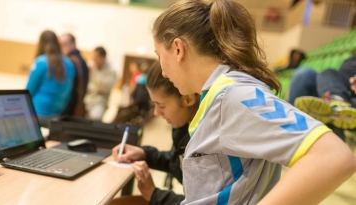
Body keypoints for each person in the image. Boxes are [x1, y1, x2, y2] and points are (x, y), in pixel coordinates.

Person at [152, 0, 356, 205]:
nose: (162, 71)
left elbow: (332, 156)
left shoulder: (234, 94)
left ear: (178, 49)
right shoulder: (217, 95)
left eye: (159, 55)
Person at [110, 62, 199, 205]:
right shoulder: (183, 127)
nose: (157, 112)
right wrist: (144, 154)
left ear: (188, 99)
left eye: (161, 105)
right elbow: (176, 163)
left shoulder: (206, 140)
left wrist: (154, 194)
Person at [289, 55, 356, 141]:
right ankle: (337, 103)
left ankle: (336, 109)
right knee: (305, 74)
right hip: (342, 91)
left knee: (329, 115)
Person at [26, 30, 75, 127]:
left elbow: (28, 92)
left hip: (37, 114)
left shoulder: (41, 62)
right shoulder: (69, 64)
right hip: (56, 116)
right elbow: (68, 93)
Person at [59, 33, 89, 117]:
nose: (61, 47)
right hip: (73, 106)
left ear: (73, 44)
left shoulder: (70, 61)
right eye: (59, 45)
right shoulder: (80, 59)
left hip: (68, 109)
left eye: (64, 44)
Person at [84, 46, 116, 120]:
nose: (93, 60)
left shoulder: (111, 72)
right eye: (93, 57)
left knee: (95, 118)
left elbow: (104, 89)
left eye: (96, 57)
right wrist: (95, 89)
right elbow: (87, 86)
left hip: (99, 102)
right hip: (87, 100)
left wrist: (95, 72)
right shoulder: (90, 68)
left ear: (103, 58)